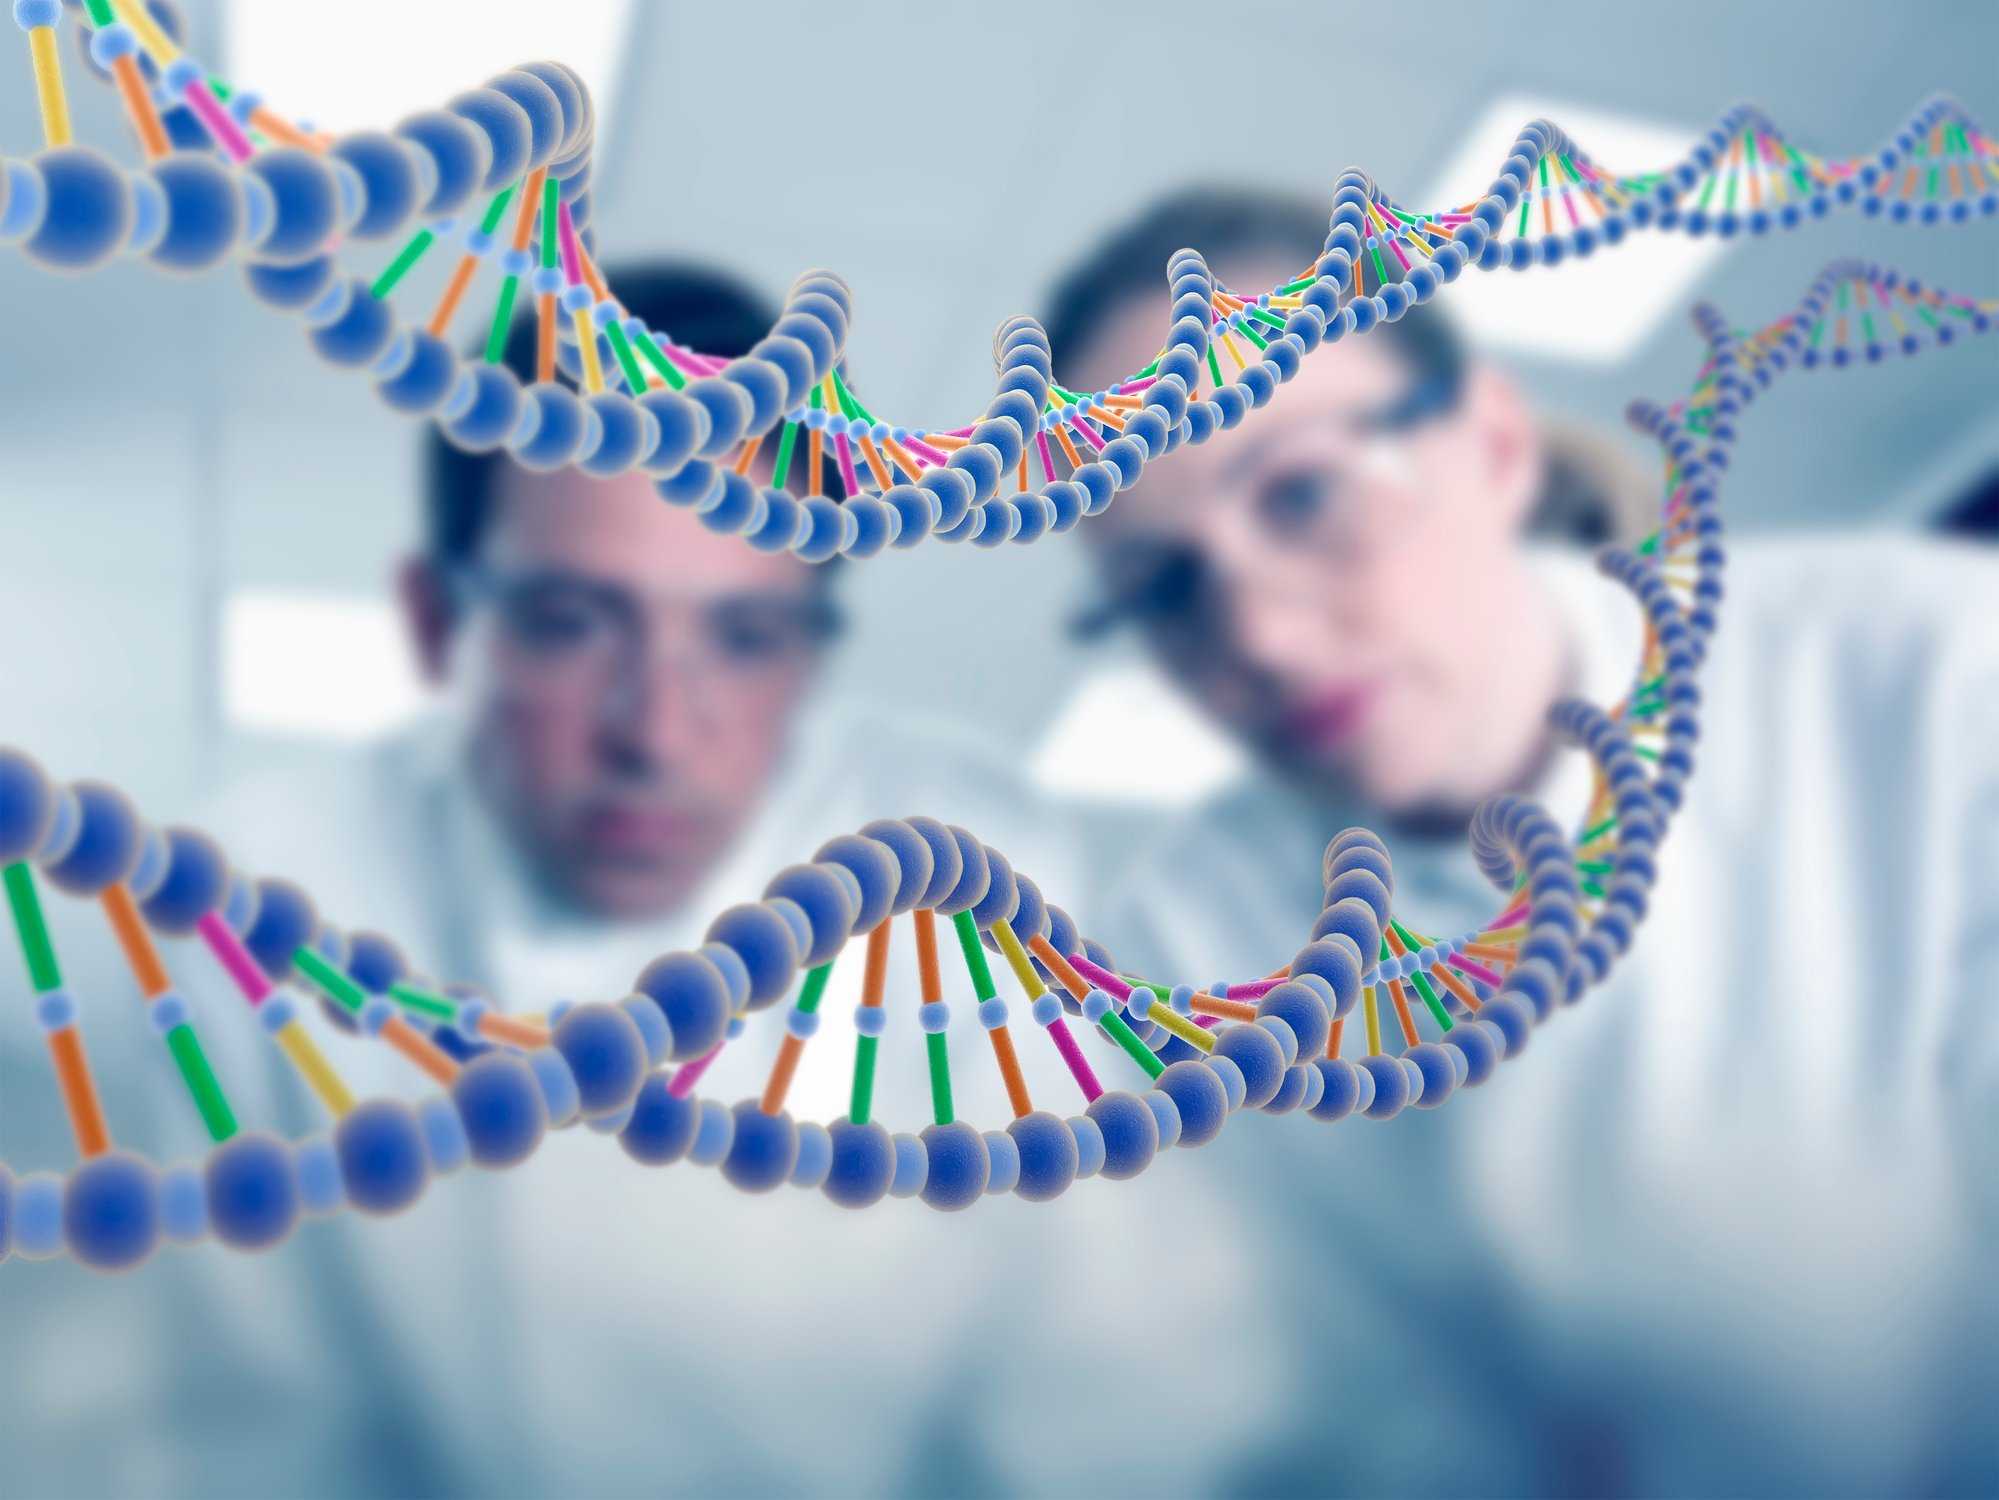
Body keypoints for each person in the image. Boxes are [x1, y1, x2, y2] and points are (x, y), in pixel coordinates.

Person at [1, 262, 1290, 1499]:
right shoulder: (259, 910)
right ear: (440, 625)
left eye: (744, 637)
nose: (659, 733)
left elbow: (1113, 1377)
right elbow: (208, 1423)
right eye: (571, 622)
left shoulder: (966, 859)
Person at [1044, 188, 1999, 1497]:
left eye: (1307, 493)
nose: (1255, 637)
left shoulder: (1934, 675)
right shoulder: (1180, 955)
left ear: (1493, 446)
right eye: (1165, 589)